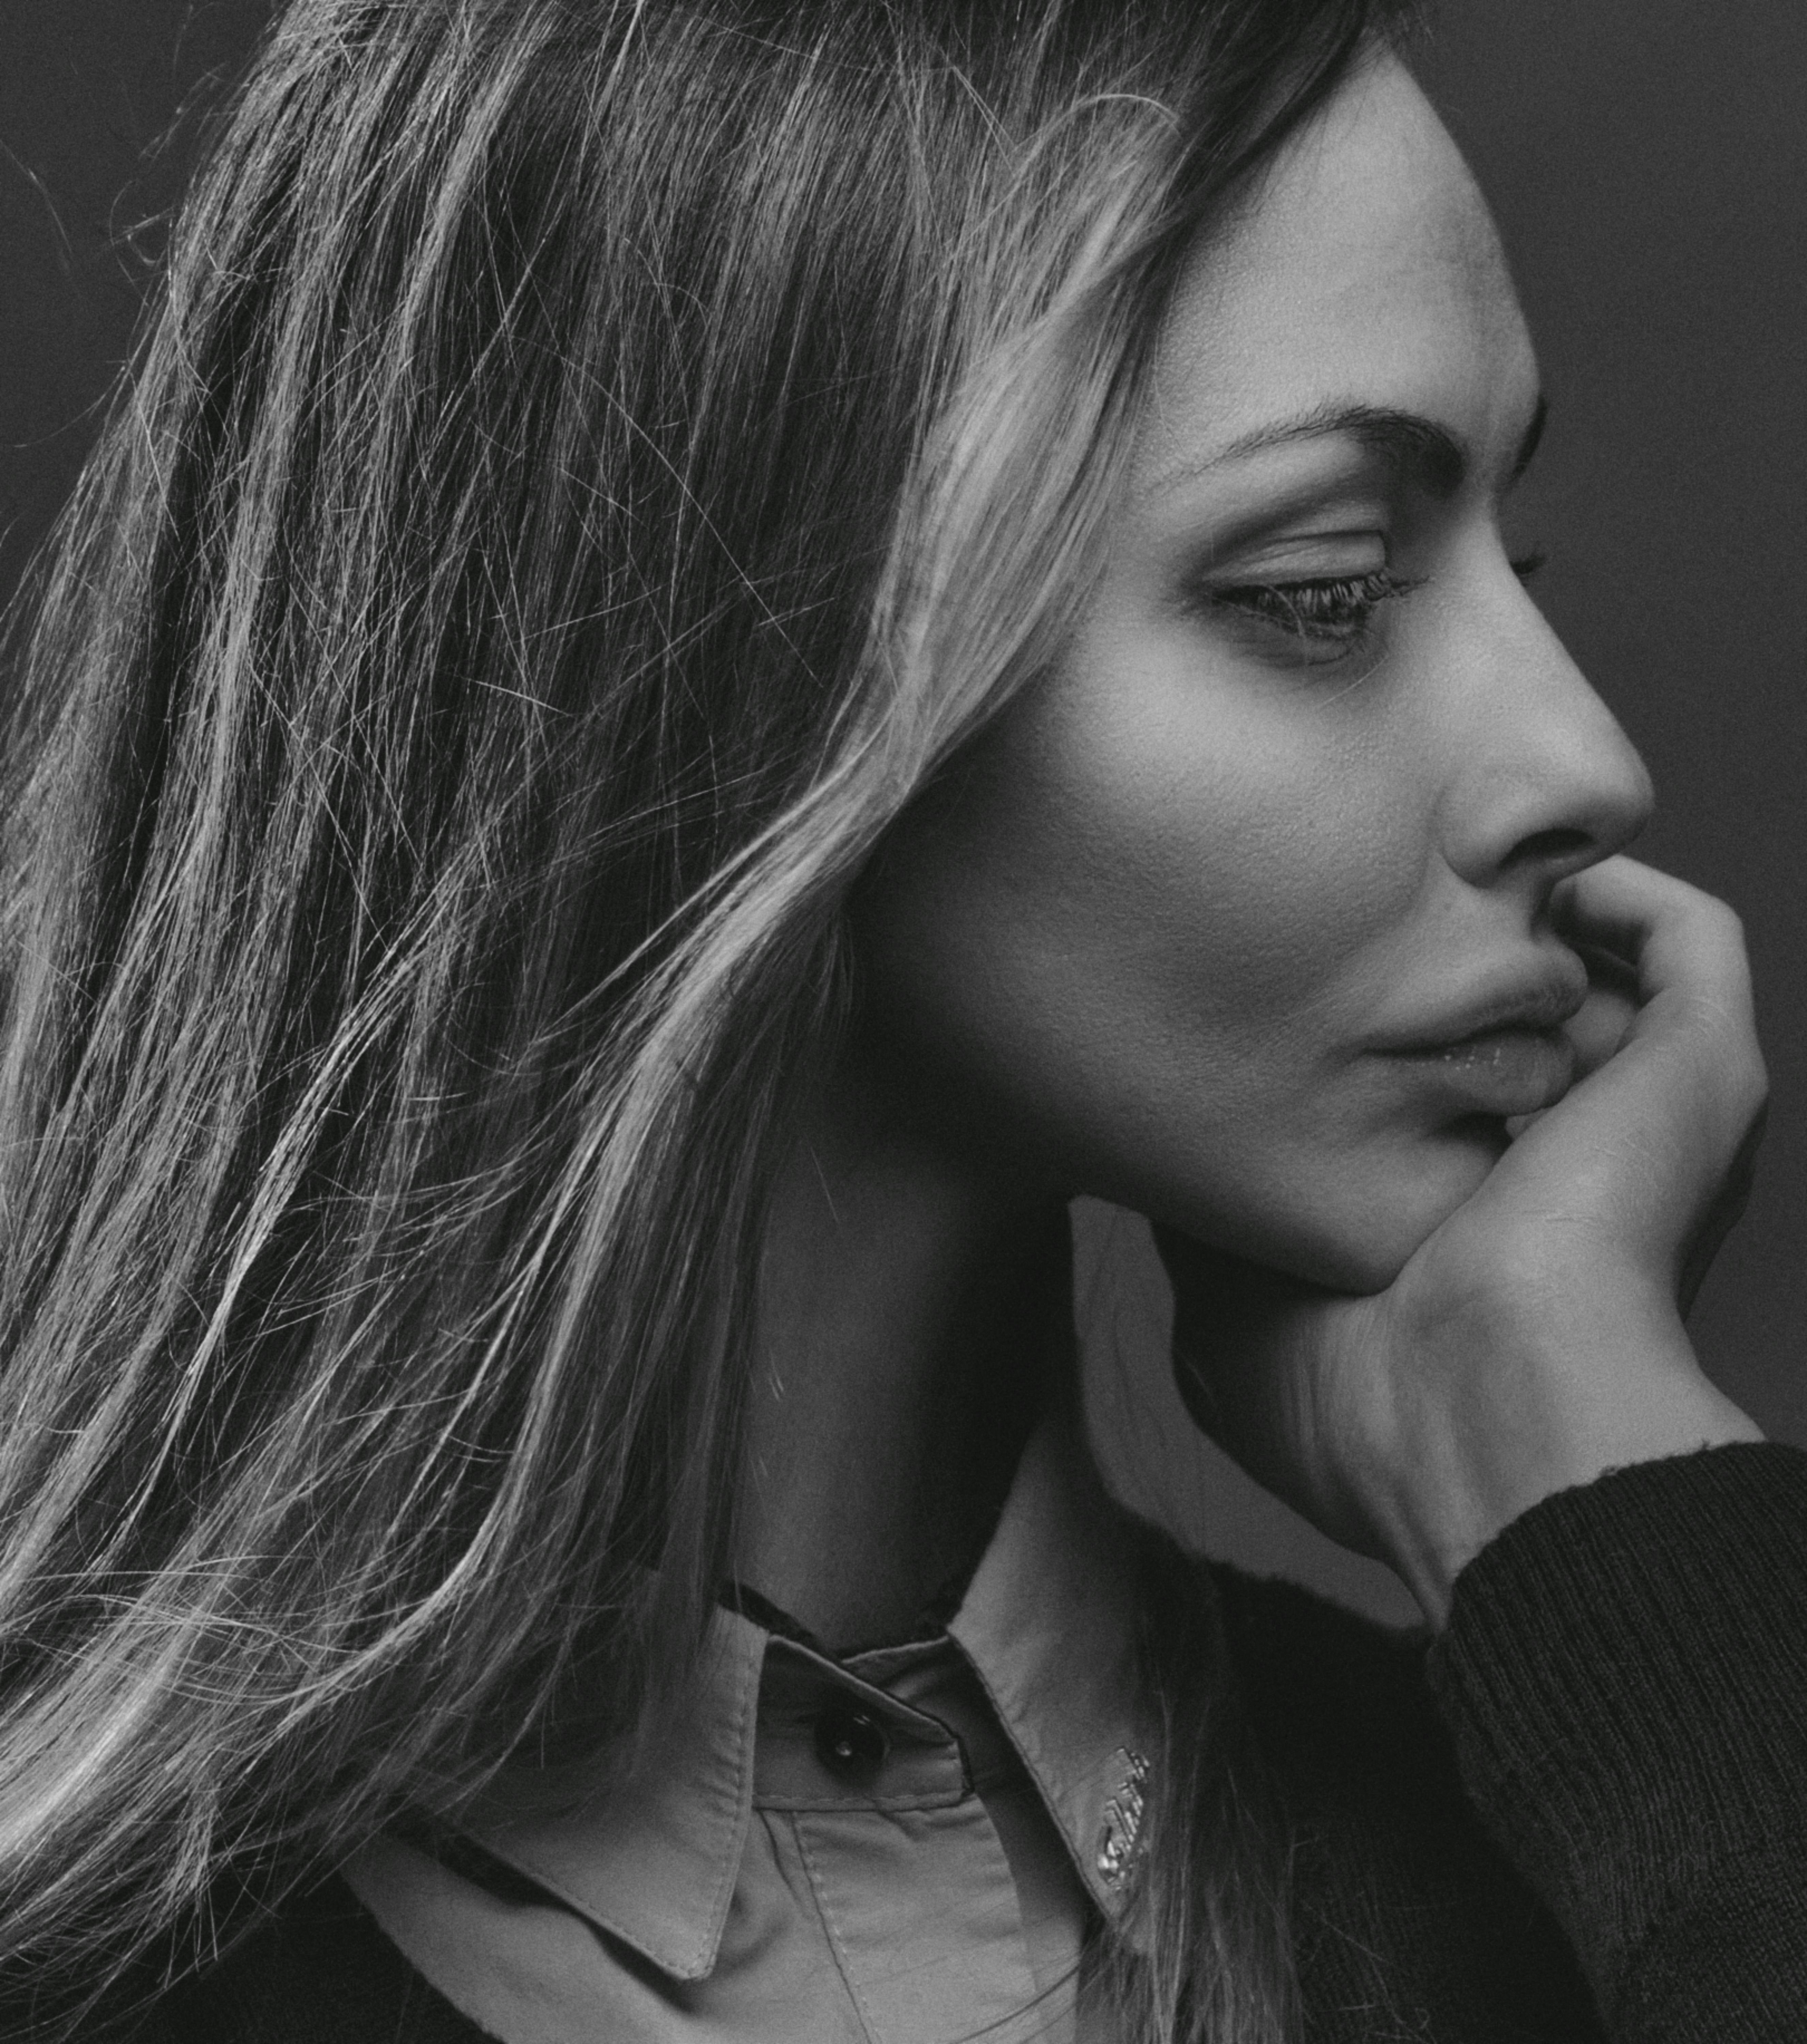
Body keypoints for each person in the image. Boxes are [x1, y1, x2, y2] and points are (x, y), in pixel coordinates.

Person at [0, 0, 1802, 2038]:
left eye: (1515, 550)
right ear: (713, 674)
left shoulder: (1640, 1865)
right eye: (1322, 585)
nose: (1584, 757)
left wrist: (1596, 1489)